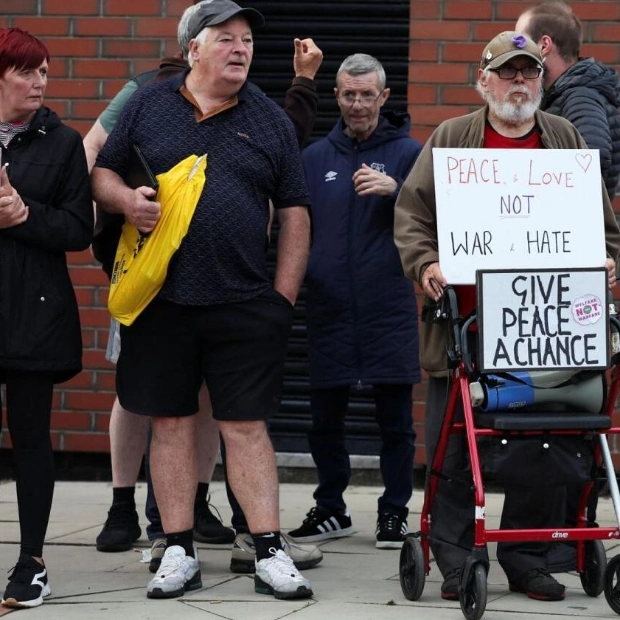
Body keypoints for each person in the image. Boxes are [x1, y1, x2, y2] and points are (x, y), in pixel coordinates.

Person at [85, 0, 324, 576]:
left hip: (244, 302)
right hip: (160, 302)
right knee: (168, 422)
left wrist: (281, 299)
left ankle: (268, 549)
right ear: (194, 49)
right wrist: (124, 201)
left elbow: (294, 212)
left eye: (246, 40)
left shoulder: (266, 116)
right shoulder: (147, 103)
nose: (240, 48)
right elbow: (100, 172)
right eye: (226, 38)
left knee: (245, 426)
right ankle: (177, 549)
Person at [393, 31, 620, 602]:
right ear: (483, 80)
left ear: (541, 81)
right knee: (452, 454)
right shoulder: (452, 139)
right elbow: (413, 216)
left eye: (529, 73)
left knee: (545, 446)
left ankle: (530, 557)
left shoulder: (563, 139)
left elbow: (601, 226)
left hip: (546, 330)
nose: (519, 84)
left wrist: (609, 263)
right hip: (466, 330)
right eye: (508, 73)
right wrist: (426, 266)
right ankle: (456, 557)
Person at [288, 54, 421, 550]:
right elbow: (296, 231)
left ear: (383, 98)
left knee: (396, 425)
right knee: (323, 421)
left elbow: (441, 217)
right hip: (328, 308)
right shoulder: (313, 158)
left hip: (388, 307)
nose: (358, 104)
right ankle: (330, 509)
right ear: (337, 96)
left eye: (368, 95)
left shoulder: (410, 153)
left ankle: (394, 513)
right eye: (349, 94)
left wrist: (398, 191)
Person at [515, 3, 620, 571]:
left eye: (521, 40)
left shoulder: (577, 98)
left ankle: (557, 541)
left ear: (546, 47)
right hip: (569, 267)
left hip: (569, 274)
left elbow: (594, 165)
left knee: (560, 406)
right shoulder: (578, 91)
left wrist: (539, 211)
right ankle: (556, 539)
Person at [0, 27, 94, 608]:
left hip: (32, 315)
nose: (39, 83)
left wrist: (22, 215)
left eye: (45, 72)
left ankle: (31, 562)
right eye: (27, 72)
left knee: (31, 437)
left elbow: (78, 229)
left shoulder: (61, 143)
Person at [516, 1, 620, 201]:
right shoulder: (568, 91)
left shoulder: (580, 95)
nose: (515, 50)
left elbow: (591, 160)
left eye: (520, 42)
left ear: (544, 45)